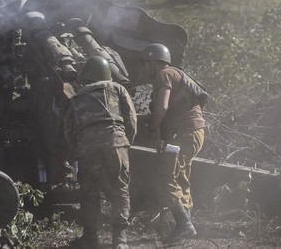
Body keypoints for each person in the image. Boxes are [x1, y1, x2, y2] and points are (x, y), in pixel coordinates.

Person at [64, 56, 137, 249]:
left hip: (87, 148)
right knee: (120, 189)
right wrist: (124, 141)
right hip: (116, 142)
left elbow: (69, 130)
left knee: (89, 192)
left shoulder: (76, 98)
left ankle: (90, 239)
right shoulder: (117, 88)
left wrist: (77, 150)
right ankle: (120, 241)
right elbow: (131, 118)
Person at [141, 43, 207, 245]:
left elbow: (161, 107)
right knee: (181, 178)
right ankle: (185, 229)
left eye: (146, 63)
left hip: (184, 133)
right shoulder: (179, 73)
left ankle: (184, 225)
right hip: (196, 132)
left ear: (154, 61)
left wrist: (153, 127)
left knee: (165, 179)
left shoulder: (164, 74)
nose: (144, 68)